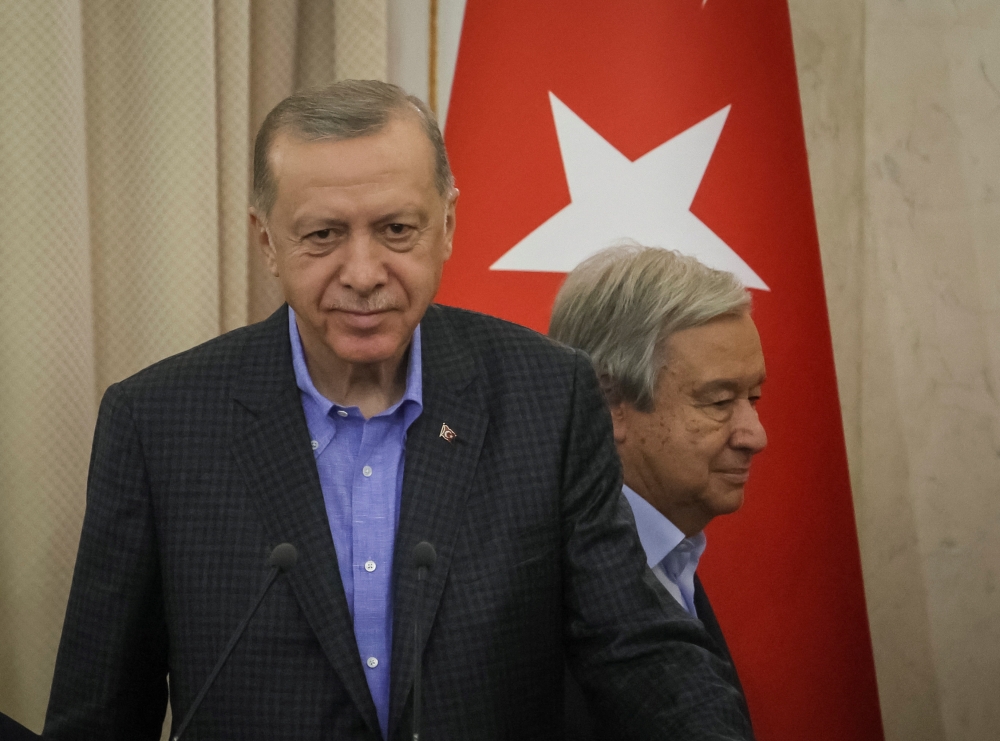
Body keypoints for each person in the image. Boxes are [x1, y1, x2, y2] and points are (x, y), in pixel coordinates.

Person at [44, 81, 752, 741]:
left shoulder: (549, 394)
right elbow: (101, 707)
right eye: (323, 234)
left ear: (446, 225)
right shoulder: (159, 423)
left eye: (396, 230)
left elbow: (635, 644)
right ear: (268, 242)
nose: (362, 271)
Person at [550, 244, 767, 738]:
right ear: (609, 404)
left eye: (753, 398)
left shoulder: (674, 554)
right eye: (719, 401)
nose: (756, 434)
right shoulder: (538, 590)